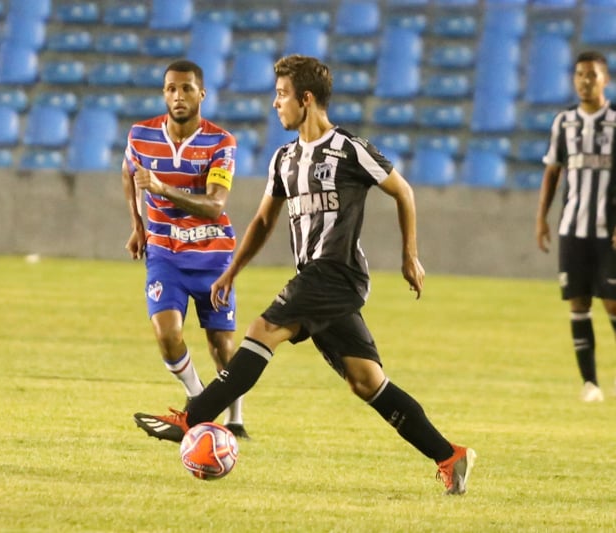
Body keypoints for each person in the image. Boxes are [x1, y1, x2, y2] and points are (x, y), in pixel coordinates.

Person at [134, 54, 475, 495]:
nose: (275, 104)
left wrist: (410, 255)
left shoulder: (348, 149)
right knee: (365, 380)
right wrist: (231, 272)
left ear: (306, 99)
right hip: (318, 280)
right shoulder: (284, 158)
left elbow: (402, 190)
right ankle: (449, 455)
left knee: (263, 329)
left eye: (281, 95)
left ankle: (192, 417)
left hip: (335, 273)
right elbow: (261, 222)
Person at [121, 59, 249, 438]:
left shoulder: (220, 142)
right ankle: (200, 403)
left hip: (213, 255)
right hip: (165, 252)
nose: (178, 96)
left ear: (201, 94)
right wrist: (137, 223)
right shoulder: (140, 135)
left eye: (186, 89)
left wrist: (161, 189)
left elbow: (215, 204)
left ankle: (235, 419)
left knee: (222, 346)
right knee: (166, 332)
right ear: (164, 93)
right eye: (171, 89)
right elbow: (128, 174)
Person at [536, 50, 616, 403]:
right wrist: (542, 218)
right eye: (580, 75)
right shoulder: (563, 122)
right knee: (578, 303)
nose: (586, 81)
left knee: (613, 304)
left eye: (593, 75)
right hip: (573, 228)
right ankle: (590, 384)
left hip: (609, 230)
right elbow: (552, 171)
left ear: (606, 80)